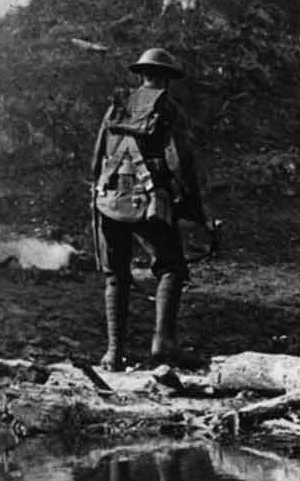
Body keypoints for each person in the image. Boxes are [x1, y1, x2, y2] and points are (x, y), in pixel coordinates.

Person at [89, 46, 210, 369]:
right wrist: (194, 211)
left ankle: (114, 353)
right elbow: (181, 163)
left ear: (141, 75)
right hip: (148, 201)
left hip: (108, 198)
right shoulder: (168, 109)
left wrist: (99, 191)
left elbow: (97, 155)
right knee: (171, 268)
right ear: (168, 79)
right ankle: (163, 346)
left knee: (116, 275)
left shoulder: (116, 106)